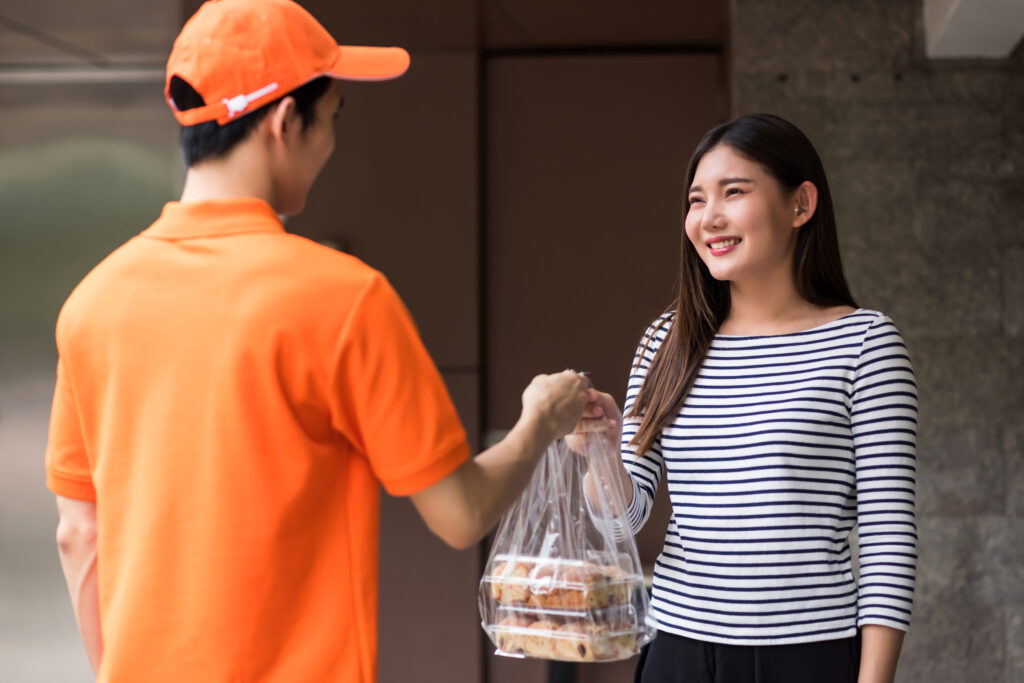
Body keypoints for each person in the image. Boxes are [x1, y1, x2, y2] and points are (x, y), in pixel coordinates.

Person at [44, 1, 596, 681]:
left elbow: (80, 532)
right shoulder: (344, 297)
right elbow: (461, 513)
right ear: (284, 122)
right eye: (331, 119)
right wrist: (540, 419)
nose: (331, 144)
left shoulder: (91, 303)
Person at [583, 114, 917, 683]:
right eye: (695, 199)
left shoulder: (864, 343)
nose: (707, 217)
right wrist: (598, 447)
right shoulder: (668, 341)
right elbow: (625, 521)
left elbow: (888, 536)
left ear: (801, 204)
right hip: (679, 650)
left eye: (733, 192)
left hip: (808, 654)